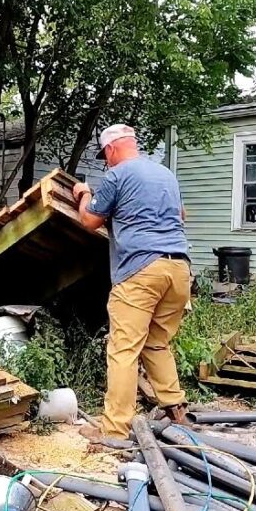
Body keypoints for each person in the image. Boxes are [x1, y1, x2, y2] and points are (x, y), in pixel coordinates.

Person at [71, 124, 191, 439]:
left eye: (104, 155)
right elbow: (181, 216)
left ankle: (114, 432)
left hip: (141, 270)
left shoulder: (117, 175)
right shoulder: (166, 175)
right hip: (178, 270)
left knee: (123, 349)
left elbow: (89, 220)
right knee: (156, 342)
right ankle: (177, 411)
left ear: (111, 149)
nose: (105, 160)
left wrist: (84, 194)